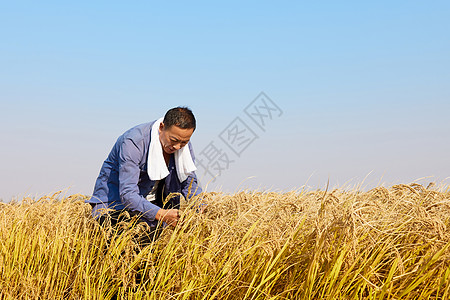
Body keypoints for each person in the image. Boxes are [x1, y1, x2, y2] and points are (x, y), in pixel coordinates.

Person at [86, 107, 202, 239]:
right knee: (128, 251)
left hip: (155, 208)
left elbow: (189, 181)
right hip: (115, 206)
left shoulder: (183, 146)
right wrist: (162, 214)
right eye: (174, 140)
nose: (177, 147)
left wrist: (201, 206)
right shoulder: (134, 142)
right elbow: (128, 194)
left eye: (184, 142)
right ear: (161, 127)